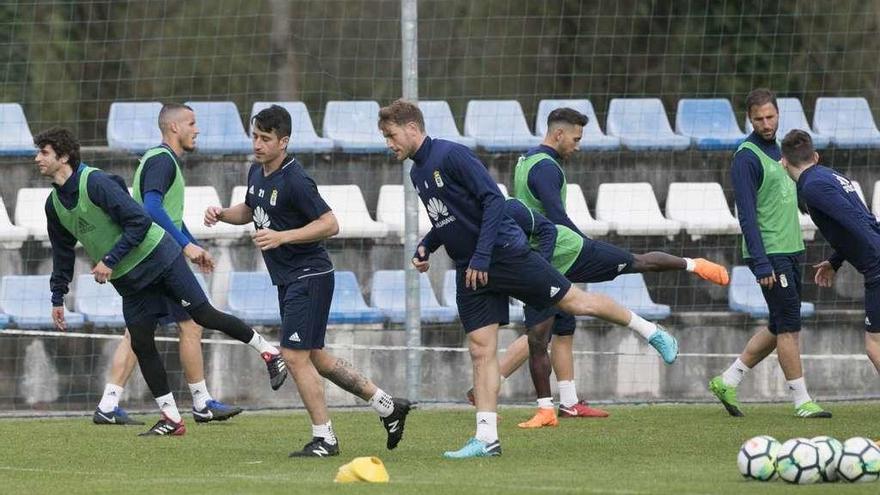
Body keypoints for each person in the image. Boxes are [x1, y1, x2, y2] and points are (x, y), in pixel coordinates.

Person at [378, 99, 679, 458]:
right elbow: (449, 219)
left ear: (412, 128)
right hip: (471, 268)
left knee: (574, 302)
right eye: (385, 137)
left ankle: (652, 331)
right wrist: (428, 245)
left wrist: (485, 255)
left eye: (391, 135)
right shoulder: (417, 172)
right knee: (480, 349)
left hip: (503, 254)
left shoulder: (451, 155)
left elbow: (492, 200)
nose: (389, 143)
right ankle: (486, 438)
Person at [489, 107, 729, 428]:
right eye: (575, 138)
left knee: (551, 329)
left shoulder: (527, 159)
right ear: (558, 134)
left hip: (546, 257)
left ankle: (692, 266)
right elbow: (556, 219)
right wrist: (585, 244)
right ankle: (564, 401)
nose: (578, 145)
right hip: (564, 252)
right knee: (548, 330)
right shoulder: (546, 168)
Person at [40, 127, 287, 437]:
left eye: (44, 153)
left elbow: (140, 221)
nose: (38, 159)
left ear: (63, 157)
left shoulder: (97, 182)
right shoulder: (54, 205)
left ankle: (270, 353)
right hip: (129, 280)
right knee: (142, 343)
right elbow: (62, 253)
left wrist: (109, 260)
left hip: (160, 259)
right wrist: (57, 297)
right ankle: (171, 418)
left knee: (203, 315)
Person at [204, 105, 413, 458]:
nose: (257, 144)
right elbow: (251, 209)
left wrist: (283, 237)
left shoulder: (295, 179)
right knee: (315, 356)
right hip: (288, 279)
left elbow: (330, 224)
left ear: (283, 142)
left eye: (265, 139)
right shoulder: (258, 172)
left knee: (294, 356)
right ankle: (387, 405)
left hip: (310, 275)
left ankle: (325, 438)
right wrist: (224, 214)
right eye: (254, 136)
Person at [504, 197, 729, 428]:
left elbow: (548, 229)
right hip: (537, 274)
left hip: (571, 250)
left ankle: (693, 264)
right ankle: (548, 409)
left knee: (636, 263)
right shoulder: (478, 224)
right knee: (537, 339)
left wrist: (542, 267)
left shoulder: (513, 202)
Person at [92, 103, 241, 427]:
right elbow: (151, 209)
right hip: (159, 258)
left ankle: (108, 403)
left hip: (156, 255)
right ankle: (201, 403)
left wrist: (192, 244)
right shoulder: (162, 160)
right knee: (189, 324)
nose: (196, 128)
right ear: (174, 128)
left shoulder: (160, 159)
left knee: (140, 331)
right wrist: (185, 246)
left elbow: (167, 215)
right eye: (191, 122)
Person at [708, 88, 830, 418]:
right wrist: (761, 262)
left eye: (771, 116)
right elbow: (745, 214)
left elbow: (794, 198)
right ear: (749, 118)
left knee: (780, 323)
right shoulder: (746, 157)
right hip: (770, 254)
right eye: (759, 118)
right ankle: (801, 400)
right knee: (790, 326)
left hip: (792, 249)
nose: (766, 123)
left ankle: (727, 380)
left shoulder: (781, 151)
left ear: (778, 114)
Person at [780, 129, 880, 373]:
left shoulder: (811, 188)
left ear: (784, 163)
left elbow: (855, 222)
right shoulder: (829, 176)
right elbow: (862, 220)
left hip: (877, 267)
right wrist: (835, 261)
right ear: (815, 157)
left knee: (874, 345)